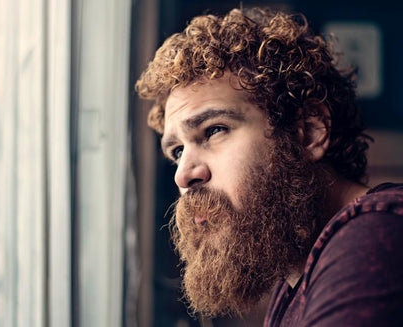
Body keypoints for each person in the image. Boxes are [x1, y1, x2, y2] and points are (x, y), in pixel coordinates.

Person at [135, 6, 403, 326]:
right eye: (177, 151)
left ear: (309, 133)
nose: (184, 174)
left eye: (214, 130)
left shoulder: (377, 233)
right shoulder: (295, 278)